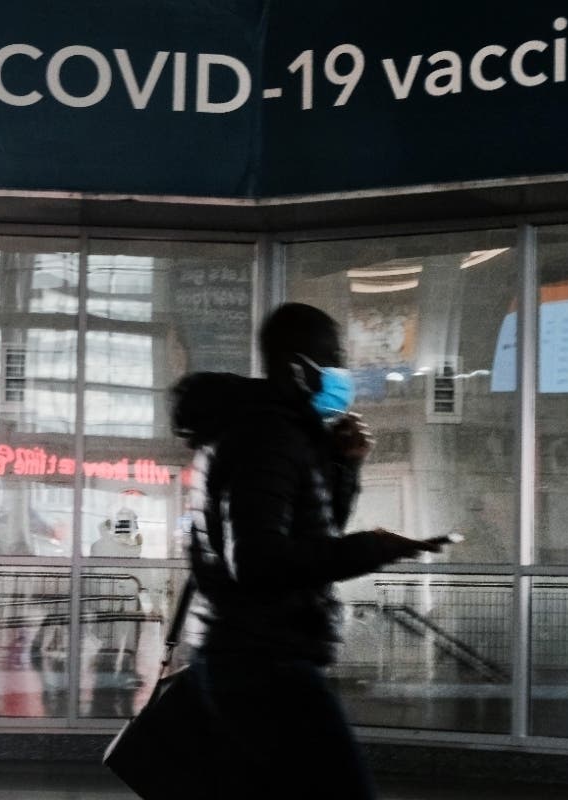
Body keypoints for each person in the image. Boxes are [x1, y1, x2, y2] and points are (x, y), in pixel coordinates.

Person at [169, 302, 441, 799]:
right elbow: (258, 561)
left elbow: (310, 537)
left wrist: (344, 466)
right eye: (333, 357)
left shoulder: (278, 434)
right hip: (264, 662)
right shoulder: (266, 438)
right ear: (300, 368)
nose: (343, 372)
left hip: (254, 656)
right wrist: (374, 547)